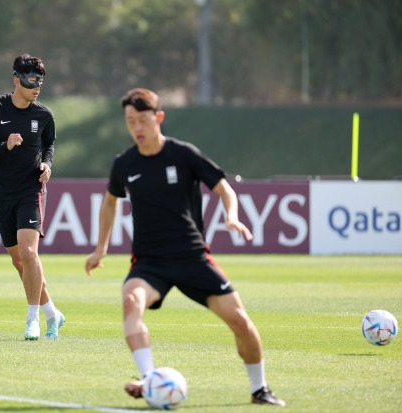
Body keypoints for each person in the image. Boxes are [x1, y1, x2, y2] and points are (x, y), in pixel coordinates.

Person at [84, 88, 285, 406]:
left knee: (240, 321)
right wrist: (101, 248)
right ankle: (150, 380)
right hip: (149, 262)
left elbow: (224, 189)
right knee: (130, 301)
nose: (137, 128)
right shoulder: (124, 163)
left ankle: (260, 389)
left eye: (143, 120)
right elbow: (109, 203)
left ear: (159, 118)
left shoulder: (183, 154)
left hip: (192, 256)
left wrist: (231, 217)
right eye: (130, 121)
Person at [0, 54, 64, 341]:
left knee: (29, 252)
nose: (36, 86)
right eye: (31, 80)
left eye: (40, 81)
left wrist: (47, 164)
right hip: (2, 192)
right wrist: (3, 145)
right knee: (19, 261)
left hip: (31, 190)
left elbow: (49, 144)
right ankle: (52, 314)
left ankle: (32, 319)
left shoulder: (44, 115)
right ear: (16, 80)